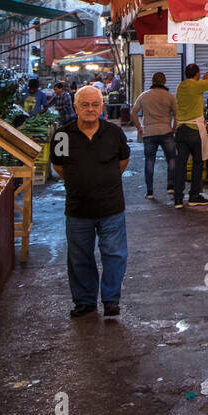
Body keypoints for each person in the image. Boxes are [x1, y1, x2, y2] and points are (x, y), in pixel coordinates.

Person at [51, 85, 130, 318]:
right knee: (79, 257)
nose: (90, 109)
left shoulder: (113, 133)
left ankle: (111, 300)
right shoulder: (63, 135)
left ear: (102, 107)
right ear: (75, 107)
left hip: (111, 207)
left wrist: (104, 179)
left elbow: (123, 161)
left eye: (95, 105)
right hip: (77, 209)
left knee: (115, 254)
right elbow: (59, 166)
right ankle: (85, 301)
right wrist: (80, 181)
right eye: (84, 105)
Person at [173, 58, 208, 209]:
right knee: (197, 164)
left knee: (180, 165)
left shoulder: (181, 86)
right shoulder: (197, 85)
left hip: (180, 130)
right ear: (197, 74)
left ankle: (178, 199)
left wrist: (204, 80)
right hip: (194, 130)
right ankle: (194, 196)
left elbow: (199, 88)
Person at [131, 72, 177, 201]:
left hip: (149, 132)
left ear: (152, 81)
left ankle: (150, 191)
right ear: (165, 81)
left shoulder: (143, 96)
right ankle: (170, 186)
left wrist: (139, 128)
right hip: (166, 131)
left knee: (150, 161)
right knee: (172, 159)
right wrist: (173, 129)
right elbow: (177, 115)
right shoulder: (170, 96)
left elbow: (133, 113)